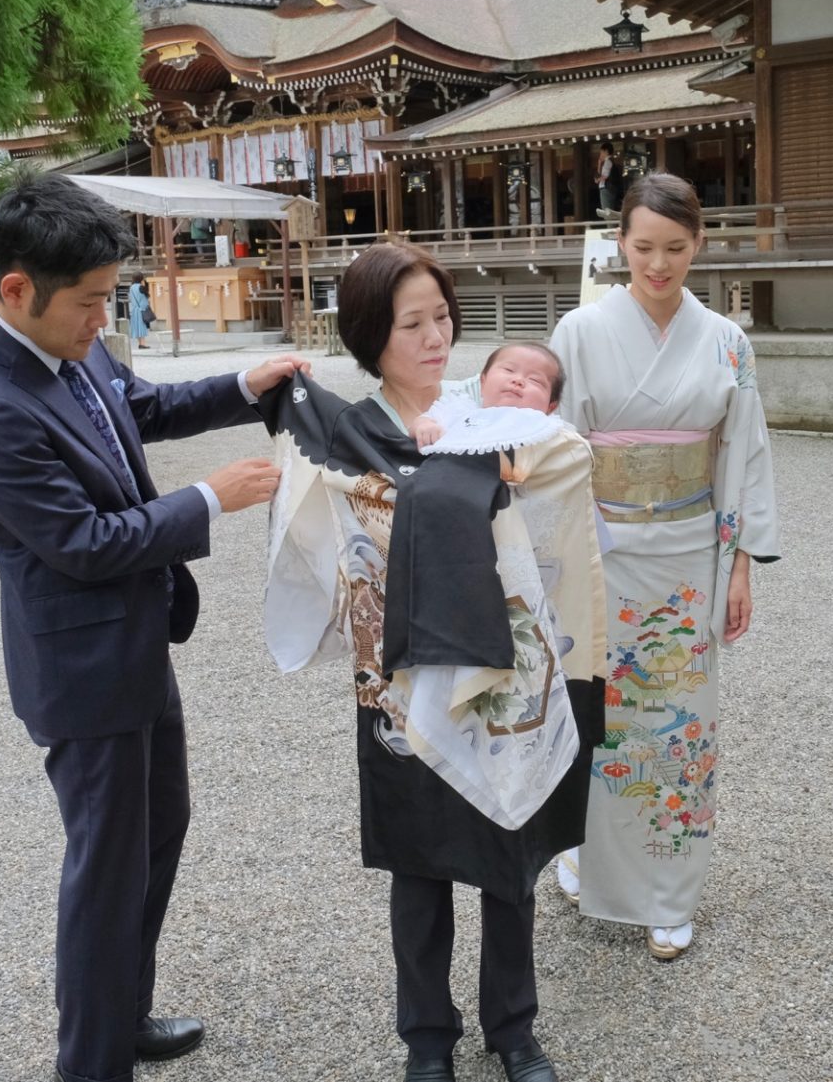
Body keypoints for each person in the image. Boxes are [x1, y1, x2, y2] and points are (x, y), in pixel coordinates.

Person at [0, 174, 306, 1082]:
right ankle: (92, 1062)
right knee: (105, 870)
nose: (106, 318)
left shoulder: (70, 347)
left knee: (158, 830)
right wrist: (206, 499)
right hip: (83, 670)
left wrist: (242, 382)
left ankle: (124, 1005)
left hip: (134, 645)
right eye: (92, 301)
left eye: (110, 296)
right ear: (17, 290)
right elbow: (82, 542)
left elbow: (136, 410)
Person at [257, 243, 604, 1082]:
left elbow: (568, 461)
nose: (434, 336)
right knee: (418, 864)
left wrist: (492, 456)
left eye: (442, 317)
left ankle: (513, 1028)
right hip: (399, 676)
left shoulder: (486, 417)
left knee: (508, 851)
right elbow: (320, 505)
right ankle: (426, 1037)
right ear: (373, 334)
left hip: (499, 669)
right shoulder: (353, 430)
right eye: (412, 322)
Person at [547, 172, 779, 961]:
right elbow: (547, 449)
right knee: (599, 719)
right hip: (599, 554)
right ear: (621, 243)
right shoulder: (578, 331)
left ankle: (669, 892)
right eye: (643, 247)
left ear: (699, 245)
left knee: (680, 728)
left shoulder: (727, 341)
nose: (658, 264)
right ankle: (584, 850)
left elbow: (744, 453)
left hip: (687, 558)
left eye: (675, 248)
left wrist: (741, 562)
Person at [410, 342, 566, 450]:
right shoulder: (462, 410)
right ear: (483, 382)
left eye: (535, 380)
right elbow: (423, 420)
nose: (518, 380)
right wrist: (424, 426)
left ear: (551, 407)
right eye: (509, 370)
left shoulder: (547, 432)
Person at [127, 272, 152, 350]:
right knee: (142, 327)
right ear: (141, 278)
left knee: (136, 327)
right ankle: (143, 344)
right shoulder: (141, 287)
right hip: (141, 310)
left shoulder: (131, 288)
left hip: (134, 310)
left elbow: (131, 298)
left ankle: (140, 344)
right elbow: (147, 297)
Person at [593, 144, 618, 213]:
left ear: (606, 151)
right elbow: (599, 175)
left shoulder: (608, 162)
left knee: (606, 211)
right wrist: (599, 164)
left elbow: (605, 176)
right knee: (607, 210)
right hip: (607, 188)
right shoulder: (607, 162)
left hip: (606, 189)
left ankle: (610, 224)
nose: (600, 154)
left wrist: (598, 180)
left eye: (601, 152)